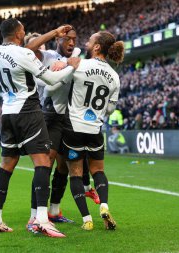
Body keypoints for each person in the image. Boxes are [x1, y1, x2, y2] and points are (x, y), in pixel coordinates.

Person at [0, 18, 80, 237]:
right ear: (19, 33)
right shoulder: (24, 54)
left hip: (7, 112)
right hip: (28, 111)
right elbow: (51, 79)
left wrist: (54, 32)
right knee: (42, 163)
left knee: (6, 165)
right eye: (24, 30)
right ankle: (41, 220)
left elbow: (26, 50)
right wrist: (70, 66)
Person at [25, 26, 99, 228]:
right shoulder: (46, 56)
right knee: (44, 164)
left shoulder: (75, 54)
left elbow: (80, 58)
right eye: (67, 39)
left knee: (64, 166)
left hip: (67, 117)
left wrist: (70, 61)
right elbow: (48, 86)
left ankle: (54, 211)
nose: (72, 43)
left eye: (74, 39)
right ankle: (34, 217)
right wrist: (67, 61)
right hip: (48, 115)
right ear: (58, 39)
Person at [62, 31, 124, 230]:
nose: (87, 42)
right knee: (98, 171)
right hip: (95, 128)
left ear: (97, 47)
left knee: (76, 174)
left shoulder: (80, 64)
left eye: (90, 40)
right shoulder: (114, 76)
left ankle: (87, 220)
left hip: (73, 126)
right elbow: (110, 109)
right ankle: (104, 205)